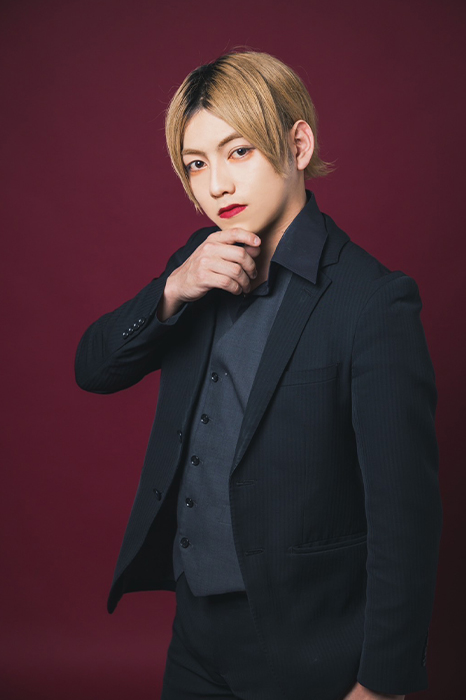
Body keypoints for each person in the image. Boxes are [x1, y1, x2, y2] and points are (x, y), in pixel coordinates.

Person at [75, 51, 442, 700]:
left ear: (298, 145)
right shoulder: (198, 262)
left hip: (308, 643)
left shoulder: (372, 302)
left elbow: (405, 518)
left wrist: (382, 683)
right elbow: (93, 369)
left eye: (238, 151)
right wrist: (173, 290)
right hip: (194, 634)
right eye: (196, 164)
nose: (216, 185)